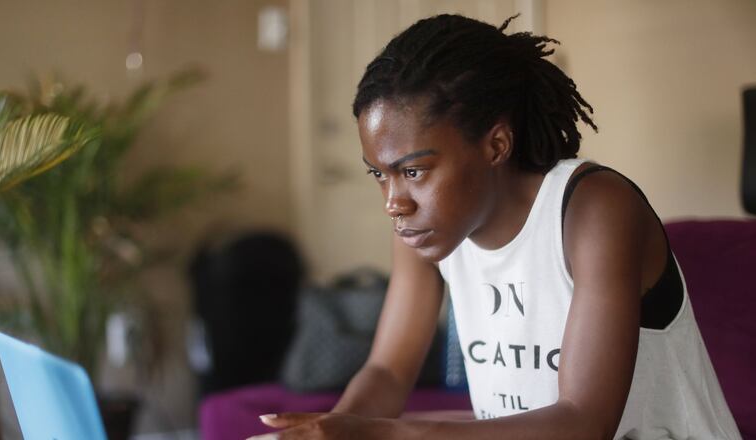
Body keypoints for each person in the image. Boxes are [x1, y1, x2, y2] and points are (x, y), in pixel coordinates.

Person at [251, 14, 742, 439]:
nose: (394, 203)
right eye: (379, 174)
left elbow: (584, 422)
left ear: (496, 145)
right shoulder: (423, 227)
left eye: (414, 171)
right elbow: (387, 372)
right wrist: (332, 431)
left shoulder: (593, 208)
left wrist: (386, 434)